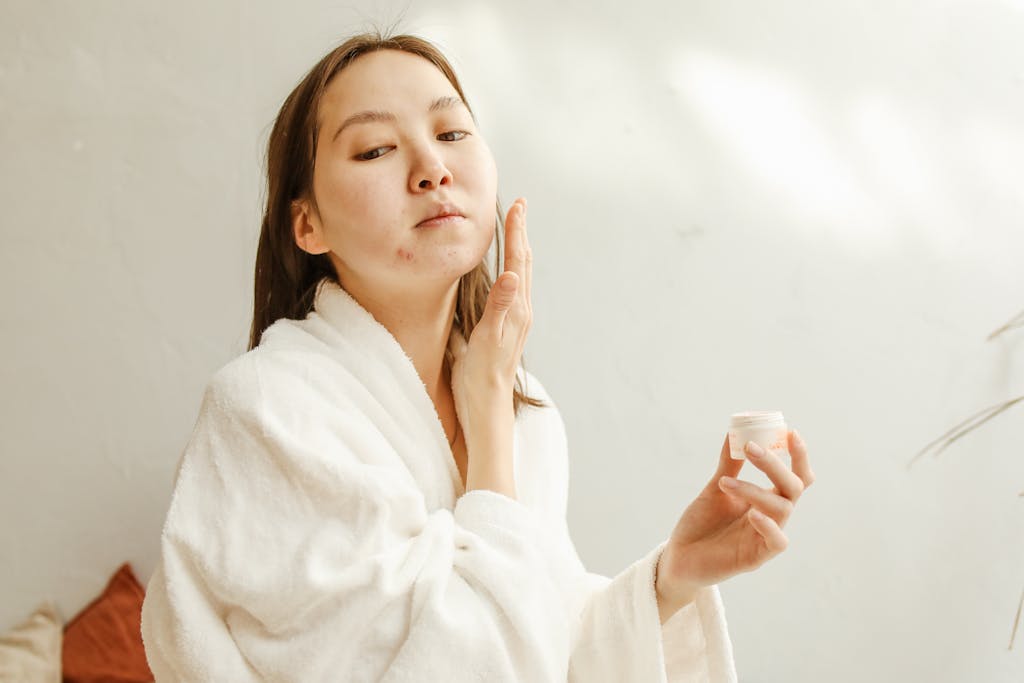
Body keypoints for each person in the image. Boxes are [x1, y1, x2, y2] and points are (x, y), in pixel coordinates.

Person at [140, 31, 815, 682]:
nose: (431, 167)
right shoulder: (266, 410)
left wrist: (672, 579)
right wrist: (488, 414)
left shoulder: (530, 416)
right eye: (375, 149)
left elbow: (539, 636)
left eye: (452, 133)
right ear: (307, 223)